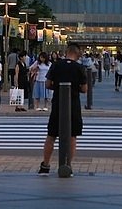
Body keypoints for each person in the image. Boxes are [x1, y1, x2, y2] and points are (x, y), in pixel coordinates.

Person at [38, 43, 87, 175]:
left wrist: (59, 87)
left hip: (57, 104)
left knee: (51, 135)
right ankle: (67, 166)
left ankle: (45, 165)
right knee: (72, 137)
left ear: (67, 52)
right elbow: (84, 89)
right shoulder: (79, 68)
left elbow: (48, 84)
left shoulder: (56, 65)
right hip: (74, 105)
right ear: (77, 54)